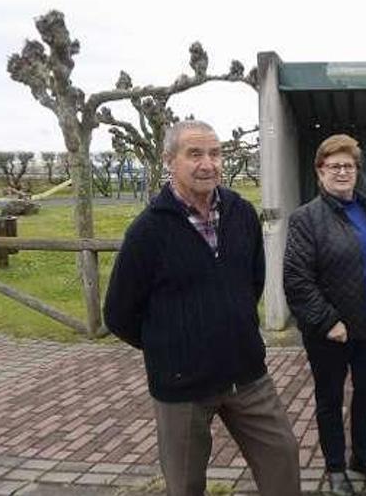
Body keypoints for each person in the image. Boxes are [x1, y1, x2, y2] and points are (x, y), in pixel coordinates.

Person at [104, 120, 301, 496]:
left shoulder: (241, 213)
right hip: (182, 386)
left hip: (246, 374)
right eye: (194, 153)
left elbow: (253, 282)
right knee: (186, 483)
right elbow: (118, 314)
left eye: (215, 153)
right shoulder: (147, 232)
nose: (208, 163)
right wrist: (173, 348)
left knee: (283, 457)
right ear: (169, 160)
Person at [284, 134, 366, 495]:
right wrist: (327, 321)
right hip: (331, 332)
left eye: (348, 165)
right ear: (320, 172)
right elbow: (297, 279)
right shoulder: (306, 218)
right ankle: (336, 467)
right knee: (330, 399)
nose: (342, 171)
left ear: (357, 170)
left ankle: (362, 457)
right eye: (333, 166)